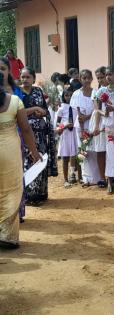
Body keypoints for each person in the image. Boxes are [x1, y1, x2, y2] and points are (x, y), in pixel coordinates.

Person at [0, 72, 41, 249]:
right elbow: (25, 129)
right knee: (12, 190)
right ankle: (7, 236)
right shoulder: (15, 101)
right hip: (9, 152)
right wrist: (35, 152)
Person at [20, 67, 58, 205]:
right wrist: (34, 109)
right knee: (27, 162)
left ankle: (40, 193)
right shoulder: (17, 93)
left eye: (28, 77)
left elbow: (45, 110)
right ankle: (29, 196)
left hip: (40, 133)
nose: (25, 80)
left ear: (33, 79)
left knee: (39, 159)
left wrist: (42, 113)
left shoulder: (38, 91)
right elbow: (18, 112)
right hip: (24, 134)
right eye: (23, 77)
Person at [96, 65, 114, 194]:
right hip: (109, 124)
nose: (108, 77)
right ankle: (110, 180)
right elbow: (97, 109)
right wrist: (105, 113)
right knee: (111, 153)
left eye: (110, 74)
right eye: (106, 74)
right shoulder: (102, 91)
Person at [56, 87, 78, 188]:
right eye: (66, 95)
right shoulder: (61, 109)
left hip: (73, 133)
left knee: (74, 155)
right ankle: (65, 179)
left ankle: (72, 174)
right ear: (63, 96)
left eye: (70, 95)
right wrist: (64, 126)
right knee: (65, 157)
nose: (68, 97)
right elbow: (57, 124)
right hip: (65, 134)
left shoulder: (75, 107)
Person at [91, 66, 108, 188]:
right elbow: (97, 109)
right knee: (101, 150)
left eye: (102, 77)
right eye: (98, 78)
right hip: (100, 119)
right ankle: (102, 177)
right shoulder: (98, 92)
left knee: (113, 150)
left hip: (111, 119)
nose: (100, 80)